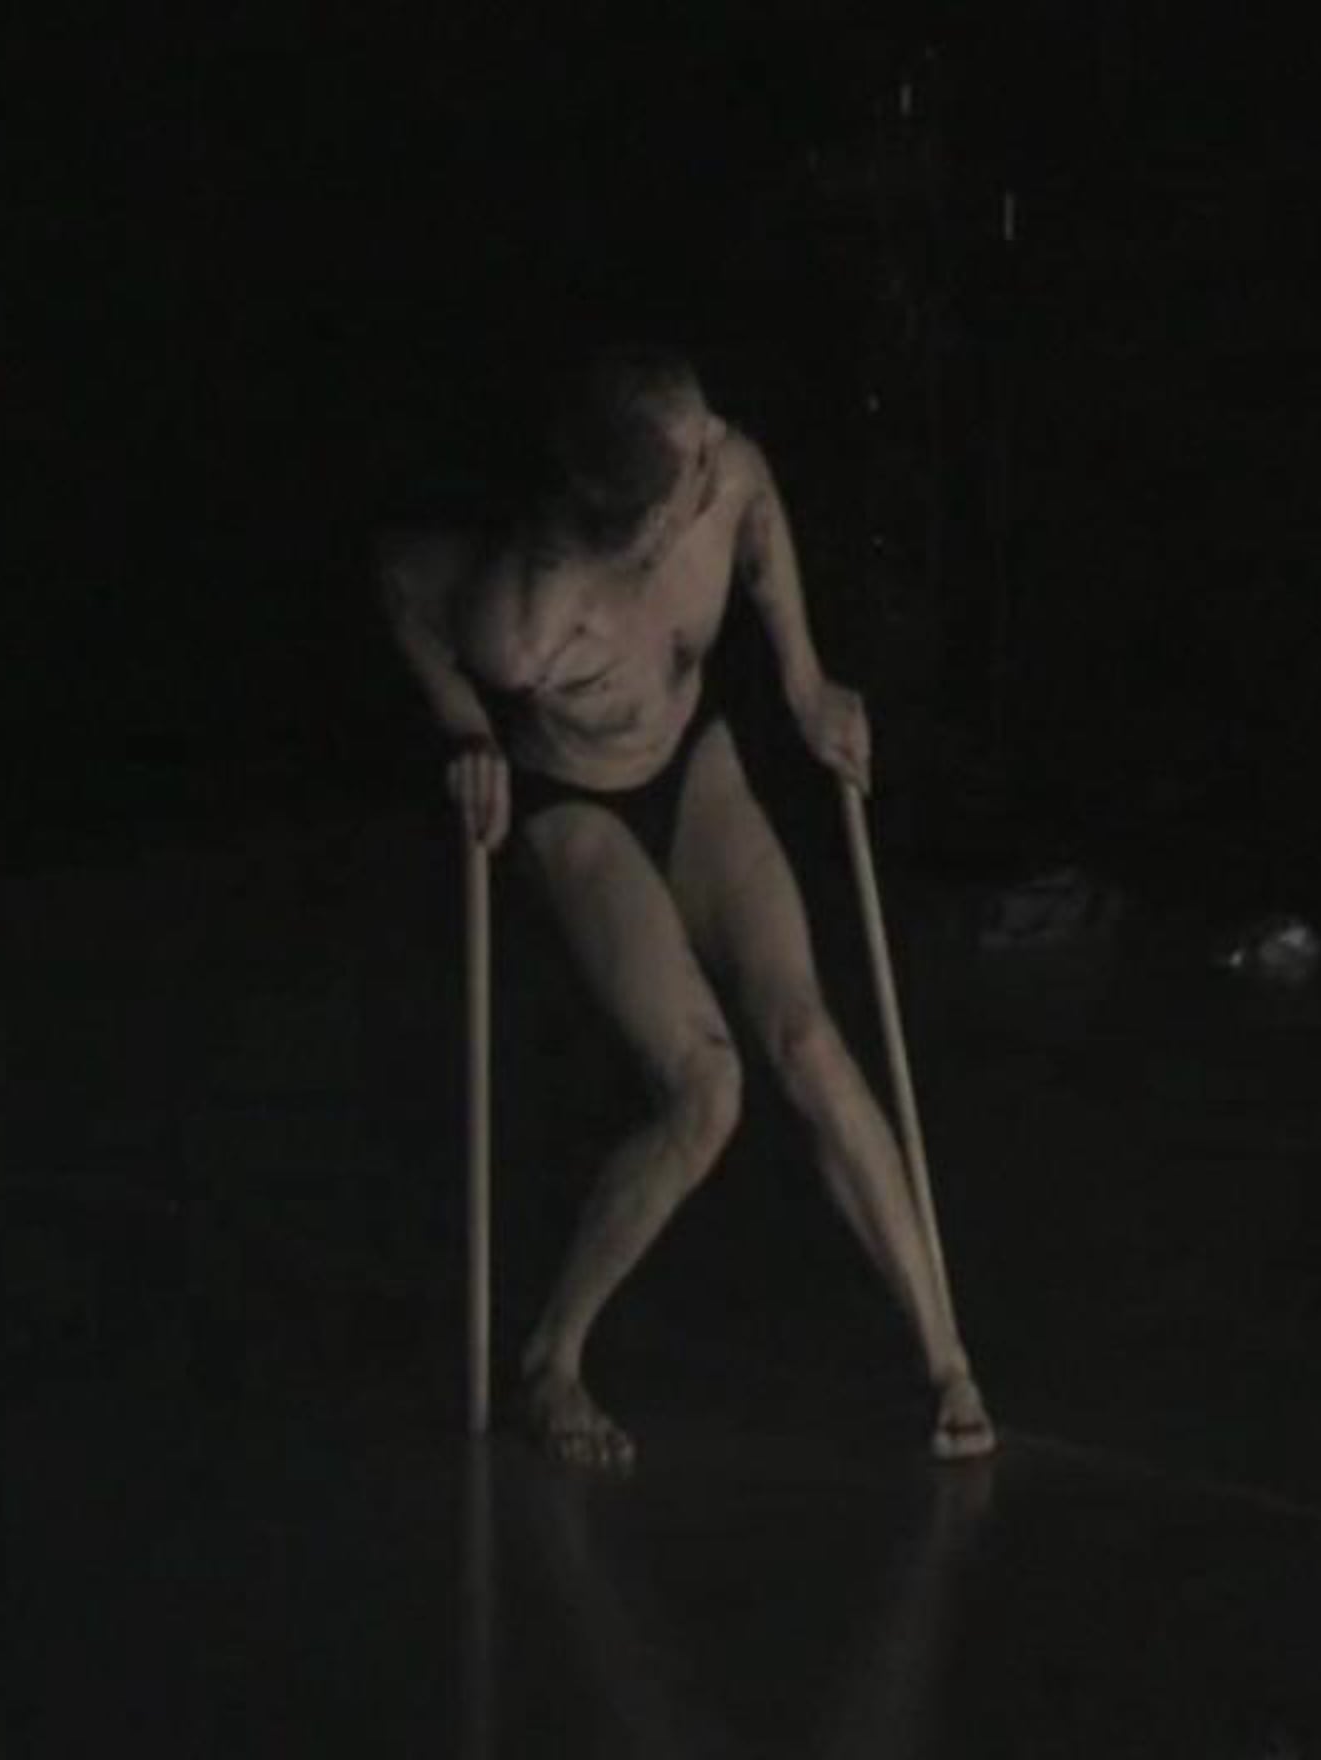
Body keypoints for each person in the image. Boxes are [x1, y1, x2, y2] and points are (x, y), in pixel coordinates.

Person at [377, 346, 994, 1470]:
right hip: (576, 800)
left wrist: (804, 679)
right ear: (652, 520)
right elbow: (404, 582)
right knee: (707, 1090)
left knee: (807, 1037)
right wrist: (464, 726)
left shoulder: (725, 475)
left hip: (693, 761)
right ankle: (552, 1358)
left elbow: (757, 507)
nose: (724, 444)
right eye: (700, 445)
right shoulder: (529, 614)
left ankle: (945, 1355)